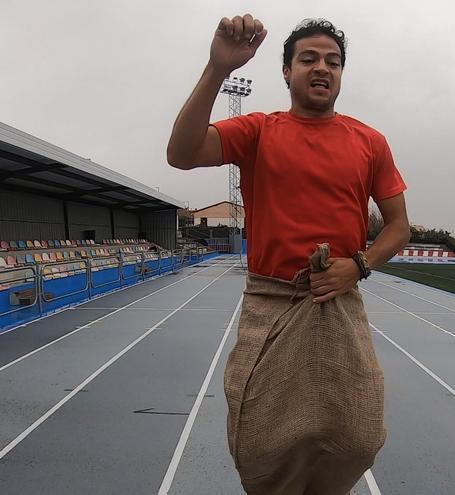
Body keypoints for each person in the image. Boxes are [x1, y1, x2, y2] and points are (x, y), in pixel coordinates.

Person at [167, 14, 410, 494]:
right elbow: (182, 153)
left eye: (333, 61)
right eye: (309, 59)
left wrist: (357, 266)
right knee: (260, 440)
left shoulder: (370, 142)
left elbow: (399, 227)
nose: (323, 68)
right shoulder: (259, 131)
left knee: (357, 438)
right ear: (286, 71)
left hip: (339, 301)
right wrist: (217, 68)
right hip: (271, 302)